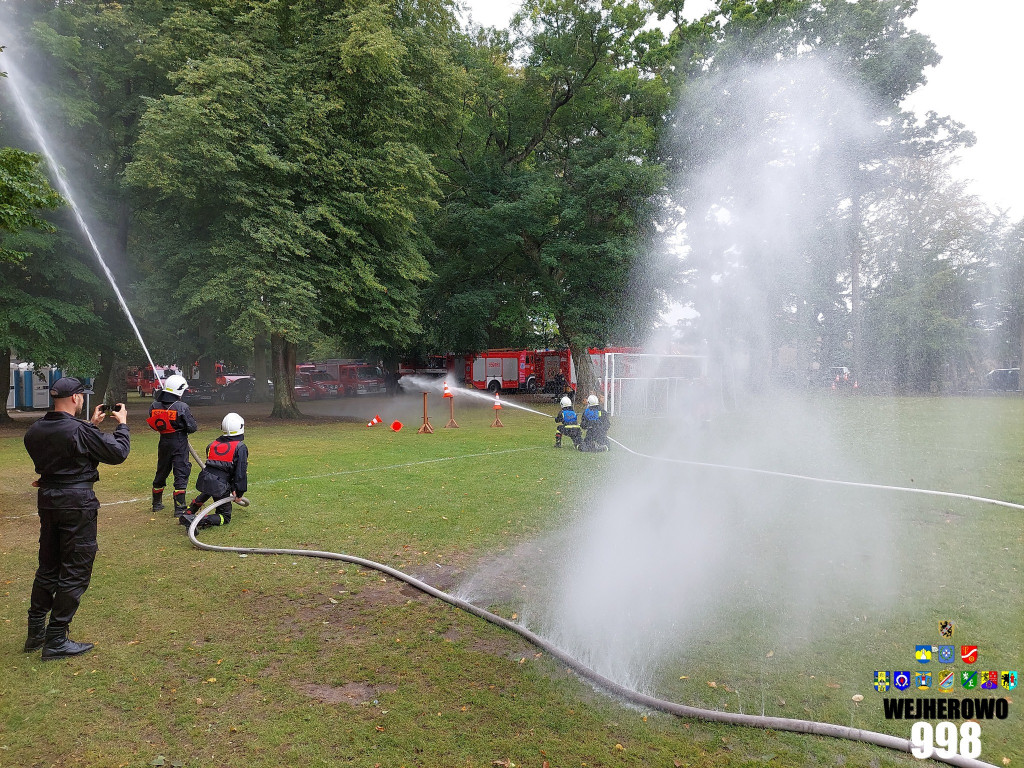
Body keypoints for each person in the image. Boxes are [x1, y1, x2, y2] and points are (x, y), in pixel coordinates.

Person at [22, 377, 130, 660]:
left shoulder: (35, 430)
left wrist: (91, 426)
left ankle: (36, 632)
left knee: (48, 565)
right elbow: (117, 453)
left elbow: (65, 453)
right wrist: (122, 425)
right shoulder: (78, 430)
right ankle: (56, 638)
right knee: (76, 568)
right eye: (82, 396)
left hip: (49, 501)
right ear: (75, 399)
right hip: (76, 504)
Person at [180, 412, 248, 529]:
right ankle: (196, 520)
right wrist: (239, 492)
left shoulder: (212, 444)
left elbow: (217, 469)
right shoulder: (240, 447)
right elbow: (239, 473)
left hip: (206, 479)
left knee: (210, 487)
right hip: (220, 485)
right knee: (224, 517)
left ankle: (190, 511)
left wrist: (233, 489)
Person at [148, 373, 198, 516]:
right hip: (179, 443)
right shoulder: (181, 407)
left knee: (161, 471)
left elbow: (153, 424)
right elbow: (192, 427)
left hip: (163, 442)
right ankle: (180, 508)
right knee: (181, 473)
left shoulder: (154, 405)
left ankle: (156, 504)